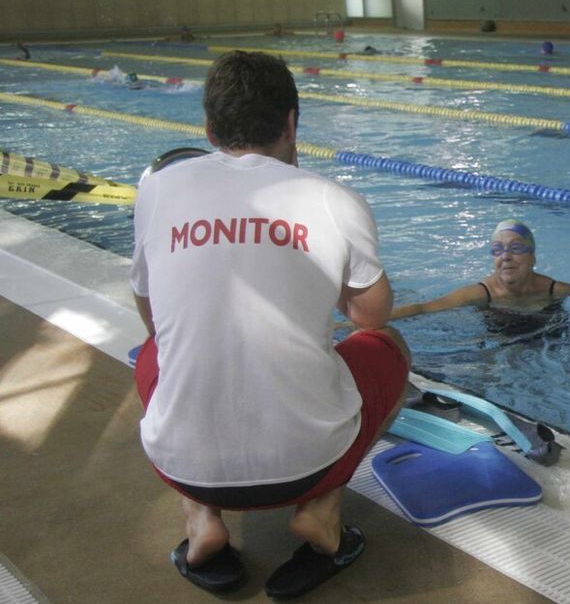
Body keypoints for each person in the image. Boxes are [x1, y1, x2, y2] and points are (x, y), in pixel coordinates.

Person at [130, 50, 411, 598]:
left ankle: (201, 519)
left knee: (152, 353)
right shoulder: (333, 200)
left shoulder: (158, 189)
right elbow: (371, 317)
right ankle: (322, 513)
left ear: (208, 129)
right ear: (291, 123)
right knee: (388, 346)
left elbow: (153, 317)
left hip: (182, 464)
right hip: (308, 465)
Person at [387, 219, 570, 324]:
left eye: (516, 248)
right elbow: (425, 308)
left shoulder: (554, 289)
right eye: (498, 250)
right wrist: (371, 320)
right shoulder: (481, 293)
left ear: (533, 257)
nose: (506, 256)